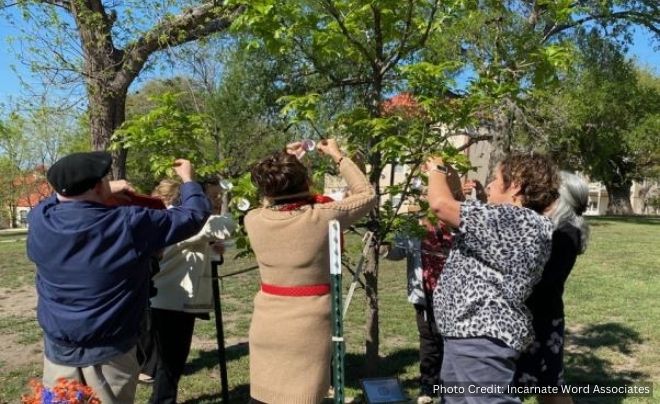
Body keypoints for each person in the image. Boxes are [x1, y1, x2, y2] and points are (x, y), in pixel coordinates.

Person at [27, 152, 211, 404]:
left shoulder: (40, 219)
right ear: (96, 185)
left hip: (58, 349)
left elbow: (53, 200)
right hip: (109, 351)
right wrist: (189, 181)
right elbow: (193, 216)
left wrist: (104, 190)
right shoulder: (127, 223)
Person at [244, 139, 376, 404]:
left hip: (266, 325)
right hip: (309, 329)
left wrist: (286, 161)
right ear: (304, 182)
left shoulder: (253, 219)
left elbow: (273, 198)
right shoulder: (324, 216)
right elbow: (366, 194)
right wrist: (338, 157)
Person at [425, 152, 560, 404]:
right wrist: (452, 178)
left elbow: (440, 205)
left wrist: (436, 170)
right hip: (466, 336)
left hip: (480, 337)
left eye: (495, 179)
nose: (488, 185)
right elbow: (460, 205)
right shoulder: (508, 220)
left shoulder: (514, 220)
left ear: (516, 185)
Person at [148, 179, 235, 404]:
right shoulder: (188, 220)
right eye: (212, 196)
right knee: (170, 363)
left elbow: (193, 252)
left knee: (170, 361)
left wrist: (212, 249)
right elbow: (227, 226)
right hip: (172, 302)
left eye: (219, 196)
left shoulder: (174, 217)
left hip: (168, 298)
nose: (217, 201)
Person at [515, 172, 590, 404]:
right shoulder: (559, 229)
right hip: (539, 315)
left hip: (542, 318)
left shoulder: (565, 233)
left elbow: (543, 279)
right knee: (546, 386)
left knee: (550, 389)